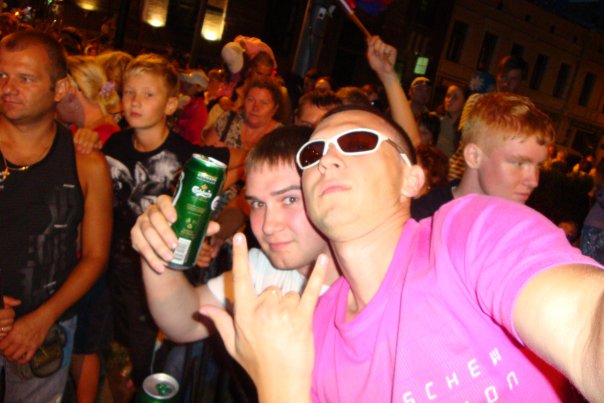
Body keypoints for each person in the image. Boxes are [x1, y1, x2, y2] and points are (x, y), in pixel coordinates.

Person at [203, 104, 604, 402]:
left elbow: (586, 330)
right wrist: (280, 385)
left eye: (357, 143)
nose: (326, 160)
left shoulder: (467, 235)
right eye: (312, 154)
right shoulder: (313, 332)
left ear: (411, 180)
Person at [130, 126, 338, 343]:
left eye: (290, 199)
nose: (268, 226)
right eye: (257, 204)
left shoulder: (360, 292)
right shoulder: (263, 267)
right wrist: (157, 252)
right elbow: (186, 324)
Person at [102, 53, 232, 391]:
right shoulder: (114, 144)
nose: (135, 102)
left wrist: (203, 241)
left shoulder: (187, 158)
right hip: (116, 269)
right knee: (118, 345)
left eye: (148, 94)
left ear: (171, 105)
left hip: (163, 276)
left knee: (152, 359)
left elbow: (231, 167)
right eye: (129, 92)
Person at [0, 30, 112, 402]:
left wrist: (43, 318)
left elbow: (95, 255)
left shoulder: (87, 163)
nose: (8, 88)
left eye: (26, 78)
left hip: (46, 332)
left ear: (60, 88)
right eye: (2, 75)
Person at [411, 92, 553, 220]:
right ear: (474, 156)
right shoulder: (423, 221)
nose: (534, 181)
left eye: (539, 166)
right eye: (519, 163)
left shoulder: (520, 227)